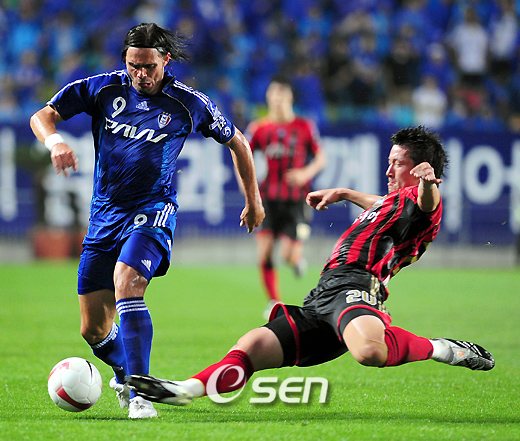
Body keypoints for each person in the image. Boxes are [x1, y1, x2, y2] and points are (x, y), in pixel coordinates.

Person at [126, 126, 495, 406]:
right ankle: (184, 389)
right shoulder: (392, 202)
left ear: (420, 170)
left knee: (369, 351)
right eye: (388, 162)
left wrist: (429, 184)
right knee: (254, 344)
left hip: (357, 287)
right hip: (323, 296)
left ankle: (443, 348)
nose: (388, 170)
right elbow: (381, 202)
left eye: (397, 164)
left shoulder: (423, 202)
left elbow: (428, 203)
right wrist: (345, 193)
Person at [29, 23, 265, 419]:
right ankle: (125, 373)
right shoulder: (103, 89)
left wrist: (253, 200)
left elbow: (238, 142)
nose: (141, 74)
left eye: (149, 66)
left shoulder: (188, 103)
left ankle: (140, 394)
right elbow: (43, 116)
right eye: (133, 65)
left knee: (128, 281)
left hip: (154, 210)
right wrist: (55, 142)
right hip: (104, 215)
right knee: (93, 329)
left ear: (165, 60)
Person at [246, 75, 326, 318]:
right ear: (268, 98)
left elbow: (321, 157)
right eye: (273, 95)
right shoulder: (259, 128)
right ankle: (274, 302)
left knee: (288, 255)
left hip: (297, 200)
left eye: (281, 95)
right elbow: (243, 156)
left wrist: (305, 173)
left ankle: (296, 261)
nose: (277, 100)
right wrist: (248, 191)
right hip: (267, 199)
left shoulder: (304, 126)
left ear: (289, 98)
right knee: (265, 252)